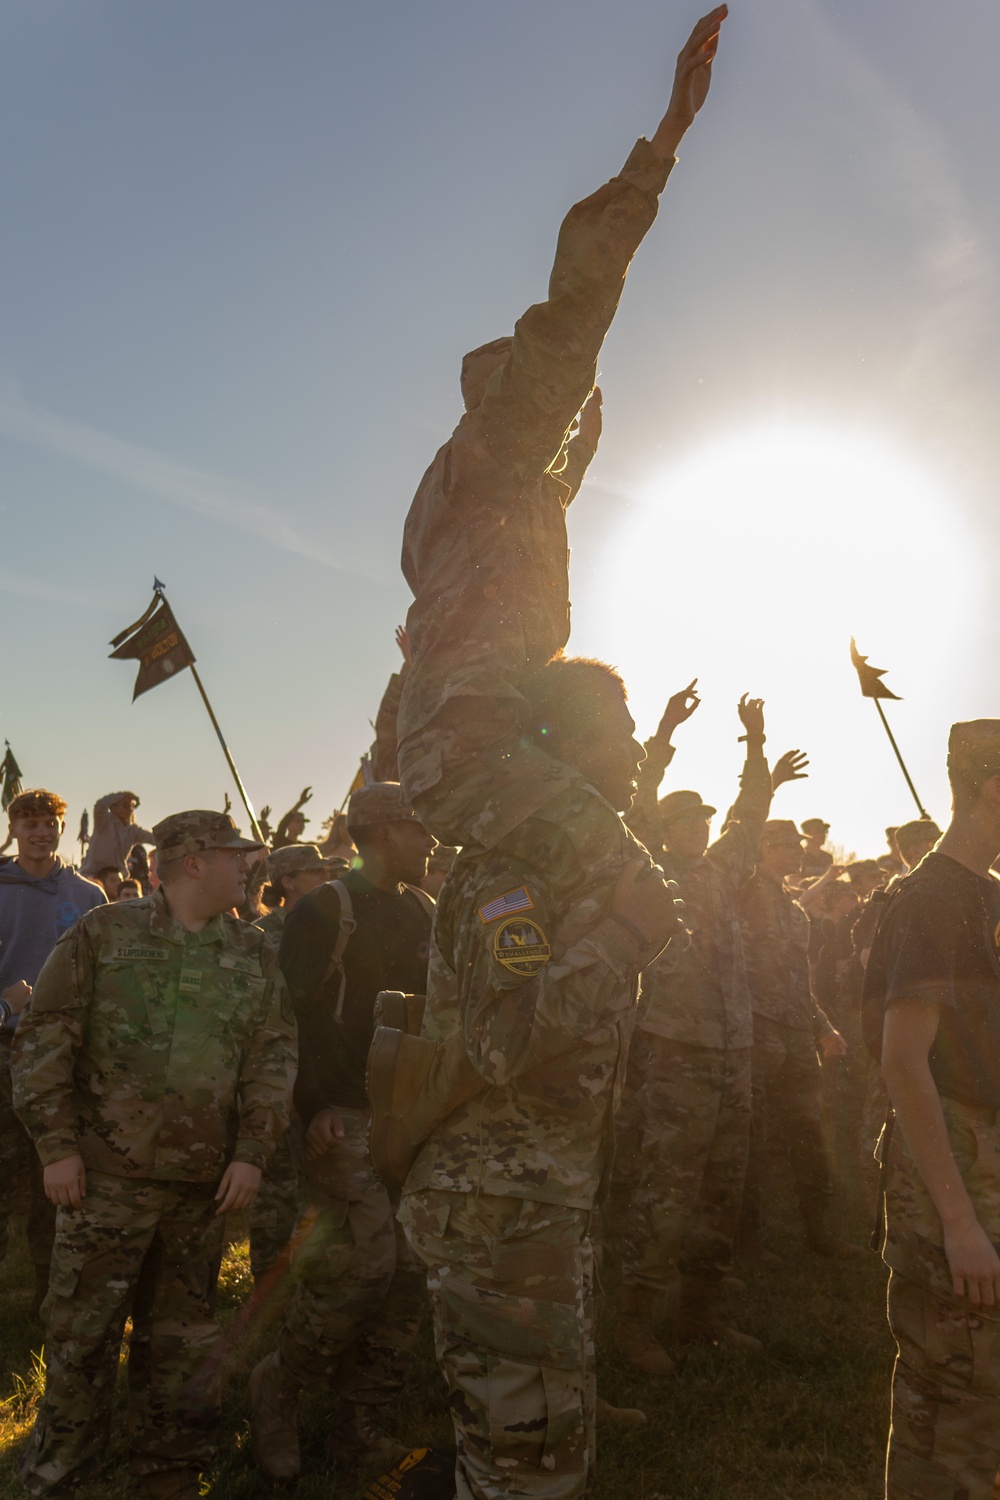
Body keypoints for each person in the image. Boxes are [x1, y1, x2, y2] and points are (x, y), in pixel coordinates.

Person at [365, 15, 726, 1500]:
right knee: (641, 879)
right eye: (557, 406)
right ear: (511, 392)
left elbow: (565, 441)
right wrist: (664, 147)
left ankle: (519, 1326)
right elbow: (580, 302)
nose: (573, 427)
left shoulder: (473, 492)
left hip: (460, 756)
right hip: (471, 750)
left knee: (581, 884)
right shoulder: (505, 437)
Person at [12, 810, 295, 1500]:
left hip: (201, 1194)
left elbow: (273, 1056)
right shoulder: (105, 933)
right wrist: (56, 1147)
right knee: (82, 1344)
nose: (248, 867)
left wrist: (254, 1151)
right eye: (235, 855)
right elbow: (45, 1038)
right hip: (100, 1185)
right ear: (193, 861)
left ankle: (168, 1473)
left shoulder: (253, 951)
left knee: (183, 1346)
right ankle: (60, 1476)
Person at [248, 782, 436, 1479]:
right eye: (420, 830)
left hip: (408, 1115)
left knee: (411, 1271)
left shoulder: (423, 909)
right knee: (363, 1266)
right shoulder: (326, 911)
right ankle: (280, 1384)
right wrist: (315, 1106)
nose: (432, 843)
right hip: (341, 1116)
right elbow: (288, 1018)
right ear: (383, 833)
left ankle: (361, 1425)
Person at [616, 694, 785, 1374]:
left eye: (702, 822)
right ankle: (632, 1326)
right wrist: (661, 734)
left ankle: (698, 1311)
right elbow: (635, 798)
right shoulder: (645, 864)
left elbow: (752, 811)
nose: (697, 829)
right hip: (677, 1050)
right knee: (665, 1188)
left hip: (732, 1051)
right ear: (666, 827)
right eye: (684, 822)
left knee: (722, 1183)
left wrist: (755, 740)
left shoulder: (721, 869)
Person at [864, 721, 1000, 1500]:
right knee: (956, 1406)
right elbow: (904, 1062)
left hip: (983, 1158)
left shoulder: (982, 895)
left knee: (970, 1402)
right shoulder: (930, 899)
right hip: (955, 1167)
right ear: (992, 788)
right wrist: (959, 1223)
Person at [0, 789, 106, 1310]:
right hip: (4, 1043)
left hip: (66, 1050)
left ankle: (49, 1294)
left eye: (49, 823)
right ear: (13, 828)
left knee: (57, 1167)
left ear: (61, 829)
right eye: (29, 823)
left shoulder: (87, 896)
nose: (39, 832)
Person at [740, 819, 858, 1258]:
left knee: (809, 1130)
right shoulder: (743, 896)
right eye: (787, 846)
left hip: (793, 1036)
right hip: (755, 1031)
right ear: (764, 849)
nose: (798, 854)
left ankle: (817, 1231)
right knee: (749, 1136)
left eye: (797, 846)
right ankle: (746, 1238)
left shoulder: (793, 911)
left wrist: (823, 1026)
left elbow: (798, 983)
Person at [246, 842, 330, 1280]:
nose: (325, 876)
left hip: (321, 1073)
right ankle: (266, 1285)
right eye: (315, 871)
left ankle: (313, 1280)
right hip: (277, 1074)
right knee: (275, 1188)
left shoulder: (332, 927)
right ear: (288, 881)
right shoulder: (262, 935)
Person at [81, 792, 156, 881]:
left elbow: (153, 839)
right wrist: (122, 795)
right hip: (92, 875)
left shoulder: (133, 831)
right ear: (113, 808)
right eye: (124, 806)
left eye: (131, 806)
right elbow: (100, 805)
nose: (128, 809)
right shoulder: (104, 821)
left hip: (117, 878)